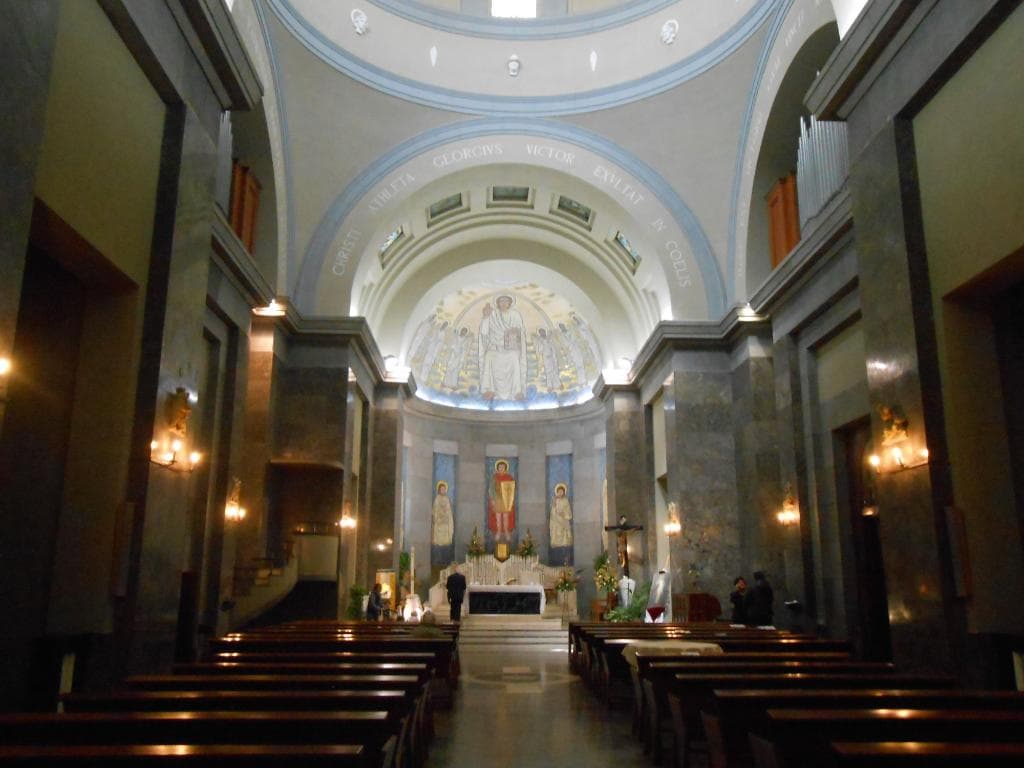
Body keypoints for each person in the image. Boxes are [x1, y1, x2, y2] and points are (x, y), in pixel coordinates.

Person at [478, 295, 527, 400]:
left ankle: (517, 391)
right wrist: (486, 317)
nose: (503, 303)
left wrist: (514, 333)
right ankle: (488, 389)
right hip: (495, 347)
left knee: (514, 357)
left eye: (506, 301)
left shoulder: (515, 315)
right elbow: (484, 332)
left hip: (510, 348)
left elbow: (520, 331)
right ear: (497, 303)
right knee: (488, 356)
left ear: (510, 303)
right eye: (501, 301)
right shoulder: (493, 314)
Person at [488, 459, 516, 541]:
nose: (501, 468)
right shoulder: (494, 477)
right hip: (497, 499)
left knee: (506, 516)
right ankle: (499, 531)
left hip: (506, 500)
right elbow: (491, 489)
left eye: (503, 467)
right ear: (497, 468)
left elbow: (511, 489)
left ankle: (506, 531)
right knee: (498, 517)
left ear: (505, 468)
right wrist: (492, 499)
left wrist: (510, 499)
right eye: (500, 467)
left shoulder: (509, 477)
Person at [549, 483, 573, 548]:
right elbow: (552, 512)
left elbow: (569, 512)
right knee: (556, 531)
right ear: (556, 492)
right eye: (559, 491)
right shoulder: (555, 500)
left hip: (564, 520)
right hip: (556, 521)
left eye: (562, 491)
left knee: (564, 535)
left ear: (564, 492)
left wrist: (564, 514)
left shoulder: (566, 500)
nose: (560, 493)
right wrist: (556, 512)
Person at [431, 480, 454, 546]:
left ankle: (446, 541)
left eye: (444, 489)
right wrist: (439, 514)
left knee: (446, 532)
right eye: (442, 489)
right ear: (439, 490)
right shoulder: (437, 499)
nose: (443, 490)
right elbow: (434, 510)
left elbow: (449, 511)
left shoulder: (447, 499)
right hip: (438, 522)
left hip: (445, 522)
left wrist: (445, 514)